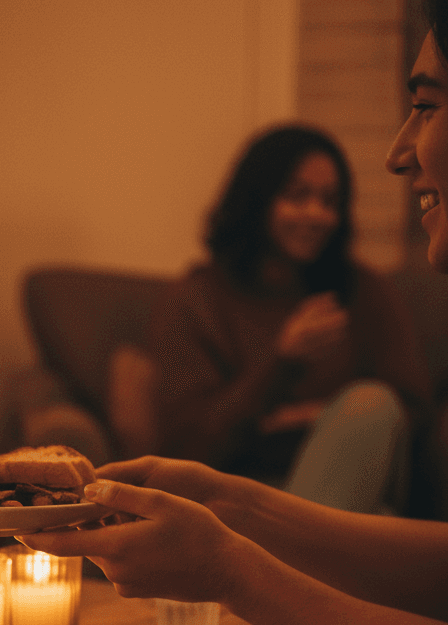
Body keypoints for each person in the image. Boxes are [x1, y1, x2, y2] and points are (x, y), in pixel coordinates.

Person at [18, 6, 448, 625]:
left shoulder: (360, 293)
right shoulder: (203, 297)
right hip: (266, 482)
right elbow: (196, 425)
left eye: (427, 104)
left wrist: (232, 568)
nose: (398, 150)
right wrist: (231, 501)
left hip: (331, 480)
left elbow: (400, 400)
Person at [149, 123, 432, 513]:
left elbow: (412, 410)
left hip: (352, 481)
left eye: (330, 201)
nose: (316, 214)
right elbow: (189, 445)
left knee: (370, 404)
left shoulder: (363, 290)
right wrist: (282, 362)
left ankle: (295, 544)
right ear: (256, 200)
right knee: (371, 522)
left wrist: (327, 418)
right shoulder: (196, 299)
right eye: (297, 196)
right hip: (241, 499)